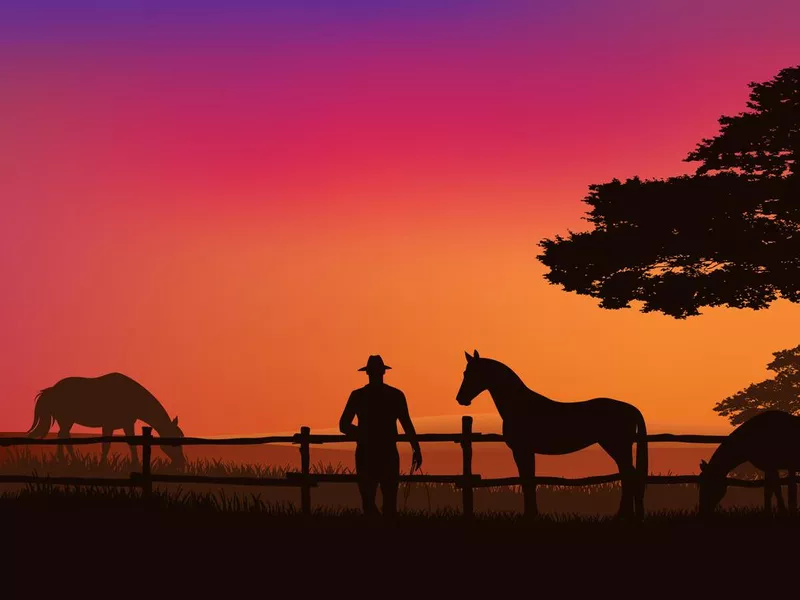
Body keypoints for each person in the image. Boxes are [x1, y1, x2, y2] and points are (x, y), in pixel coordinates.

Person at [339, 355, 423, 518]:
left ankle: (375, 533)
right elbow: (406, 424)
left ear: (367, 373)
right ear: (383, 372)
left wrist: (362, 434)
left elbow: (344, 425)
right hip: (387, 453)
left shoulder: (358, 396)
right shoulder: (395, 395)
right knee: (388, 500)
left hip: (367, 453)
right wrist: (416, 448)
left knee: (369, 500)